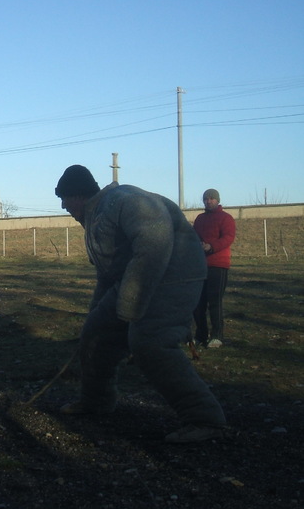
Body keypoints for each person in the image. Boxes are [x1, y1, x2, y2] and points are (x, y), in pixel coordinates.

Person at [54, 165, 227, 443]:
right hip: (135, 279)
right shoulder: (96, 216)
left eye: (64, 199)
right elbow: (107, 274)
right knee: (96, 334)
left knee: (150, 342)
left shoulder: (125, 200)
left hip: (175, 276)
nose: (63, 206)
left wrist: (129, 307)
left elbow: (153, 245)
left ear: (77, 195)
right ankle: (96, 402)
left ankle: (205, 419)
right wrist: (97, 316)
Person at [192, 189, 236, 348]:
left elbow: (228, 237)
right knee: (198, 304)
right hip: (200, 266)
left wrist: (211, 246)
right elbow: (193, 236)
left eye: (211, 198)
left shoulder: (226, 218)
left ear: (217, 200)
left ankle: (217, 336)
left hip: (218, 265)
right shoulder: (199, 219)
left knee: (215, 302)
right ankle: (201, 335)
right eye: (205, 199)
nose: (208, 201)